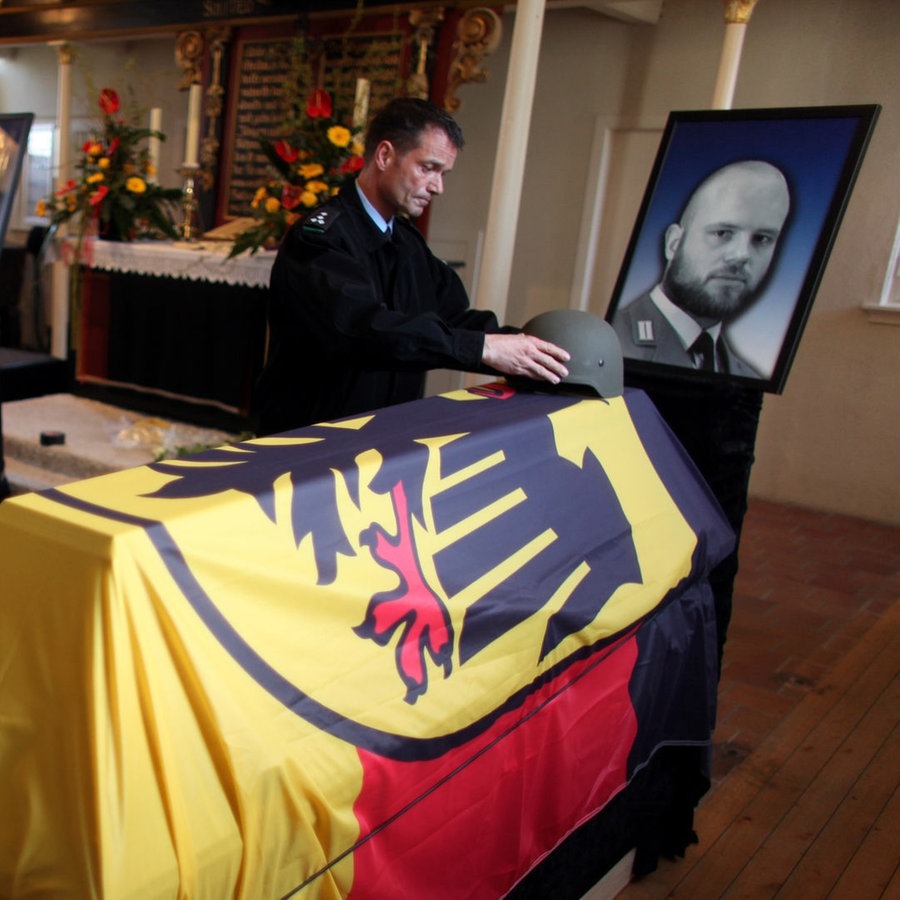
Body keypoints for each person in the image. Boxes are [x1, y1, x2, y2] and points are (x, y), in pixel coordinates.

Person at [254, 97, 569, 435]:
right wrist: (484, 349)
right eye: (428, 168)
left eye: (443, 173)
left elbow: (451, 319)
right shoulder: (319, 238)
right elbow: (364, 329)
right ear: (385, 155)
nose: (438, 187)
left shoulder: (406, 239)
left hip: (385, 438)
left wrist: (535, 348)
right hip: (312, 440)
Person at [611, 159, 791, 378]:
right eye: (722, 233)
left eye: (762, 239)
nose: (741, 255)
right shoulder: (609, 342)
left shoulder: (747, 378)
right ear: (674, 243)